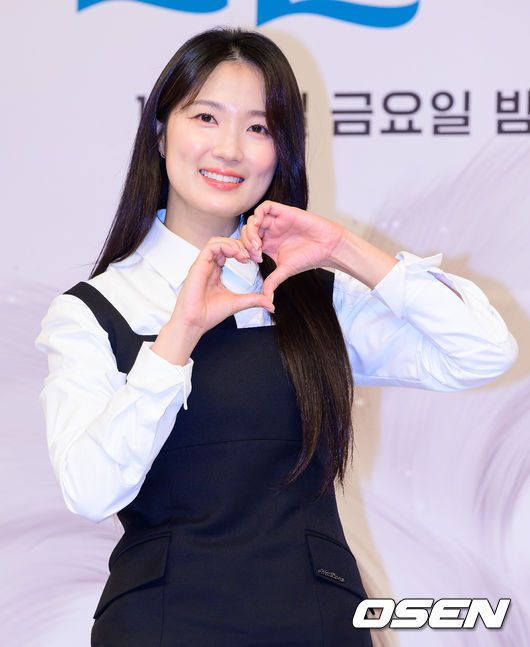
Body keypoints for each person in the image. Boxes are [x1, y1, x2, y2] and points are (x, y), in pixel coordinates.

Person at [35, 26, 518, 647]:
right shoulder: (93, 311)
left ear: (281, 149)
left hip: (316, 618)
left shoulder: (311, 295)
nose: (230, 148)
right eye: (206, 117)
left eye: (259, 127)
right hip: (163, 622)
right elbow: (89, 490)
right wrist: (177, 336)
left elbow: (482, 350)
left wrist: (343, 249)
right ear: (160, 132)